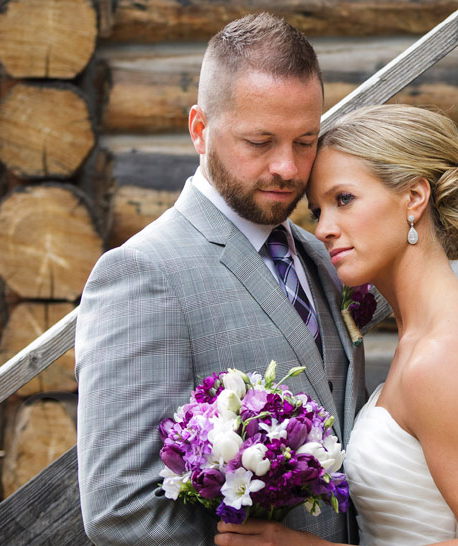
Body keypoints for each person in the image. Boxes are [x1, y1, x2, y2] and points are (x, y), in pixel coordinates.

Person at [75, 13, 385, 544]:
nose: (288, 167)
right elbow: (121, 513)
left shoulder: (320, 255)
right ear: (200, 129)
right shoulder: (141, 274)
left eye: (305, 141)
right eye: (260, 142)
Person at [214, 105, 458, 546]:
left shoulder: (446, 356)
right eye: (318, 212)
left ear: (414, 198)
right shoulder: (425, 337)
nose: (325, 230)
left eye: (344, 199)